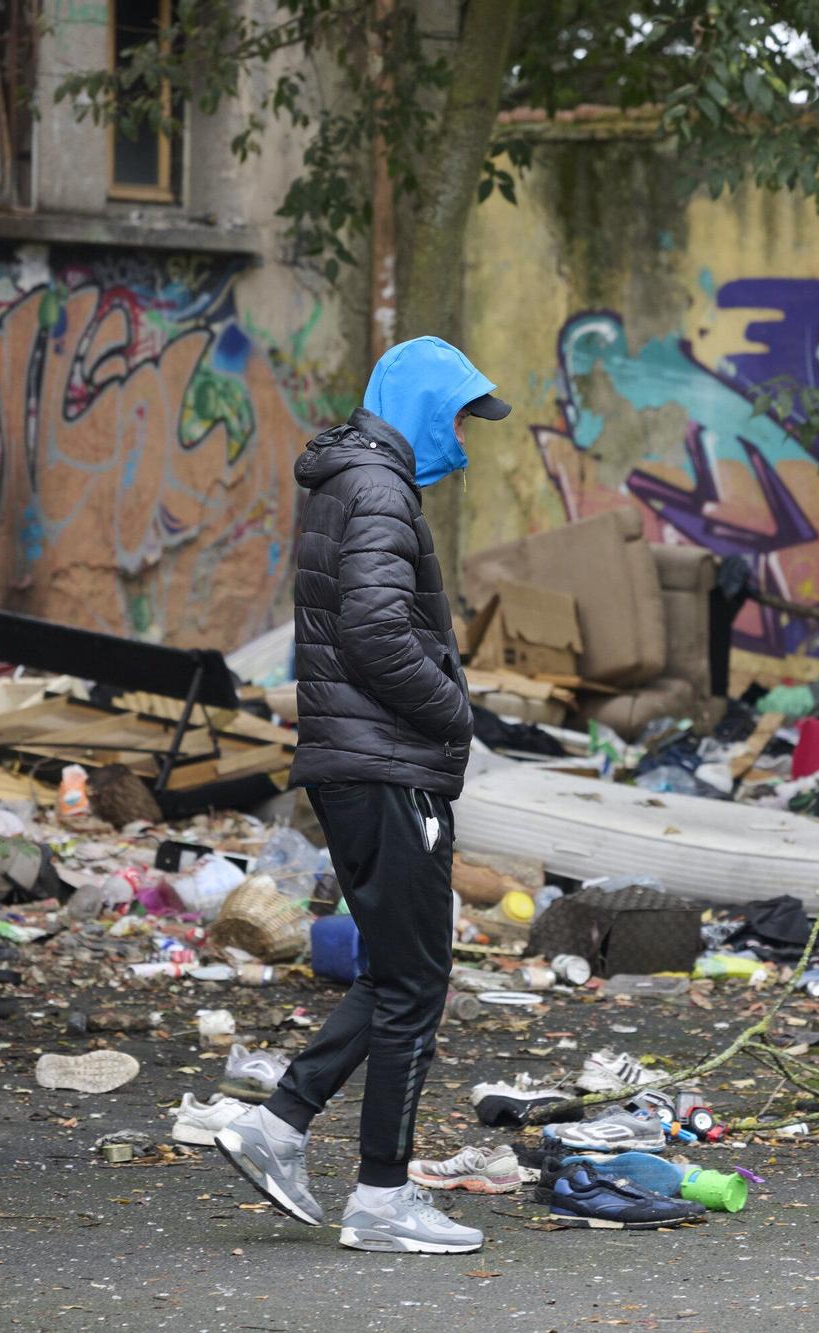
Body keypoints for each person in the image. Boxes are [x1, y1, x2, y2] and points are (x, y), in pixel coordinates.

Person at [213, 336, 510, 1254]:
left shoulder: (351, 479)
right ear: (422, 405)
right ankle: (383, 1195)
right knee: (417, 982)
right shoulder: (379, 488)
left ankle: (278, 1124)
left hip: (359, 763)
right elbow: (378, 631)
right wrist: (455, 713)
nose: (463, 435)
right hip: (386, 768)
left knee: (392, 970)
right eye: (459, 415)